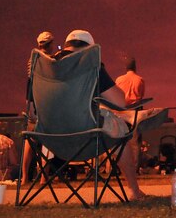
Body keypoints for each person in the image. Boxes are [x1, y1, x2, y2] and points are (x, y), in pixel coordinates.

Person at [54, 29, 148, 201]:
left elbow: (31, 110)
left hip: (50, 136)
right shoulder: (90, 62)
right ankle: (134, 191)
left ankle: (127, 116)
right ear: (90, 48)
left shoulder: (42, 65)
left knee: (102, 109)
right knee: (120, 130)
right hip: (84, 134)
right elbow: (120, 101)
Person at [22, 30, 58, 182]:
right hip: (48, 105)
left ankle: (24, 177)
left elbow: (30, 84)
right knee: (47, 141)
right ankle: (44, 176)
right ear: (50, 45)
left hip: (33, 104)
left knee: (30, 141)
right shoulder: (53, 61)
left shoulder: (32, 60)